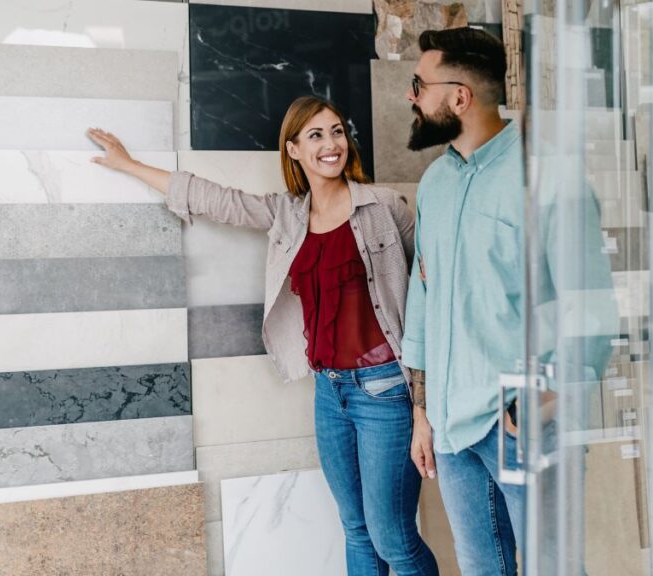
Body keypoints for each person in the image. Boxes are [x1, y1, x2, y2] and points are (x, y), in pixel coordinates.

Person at [88, 95, 439, 576]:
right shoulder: (288, 217)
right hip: (329, 391)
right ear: (293, 150)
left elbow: (426, 300)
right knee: (355, 528)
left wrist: (424, 404)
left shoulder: (383, 207)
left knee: (393, 539)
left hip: (385, 390)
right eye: (315, 135)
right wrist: (130, 165)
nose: (330, 144)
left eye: (336, 131)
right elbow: (216, 200)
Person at [401, 27, 615, 576]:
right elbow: (423, 302)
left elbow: (590, 310)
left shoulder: (549, 177)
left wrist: (546, 399)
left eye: (419, 84)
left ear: (460, 96)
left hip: (520, 424)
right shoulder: (434, 185)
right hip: (451, 432)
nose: (412, 97)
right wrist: (423, 412)